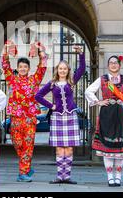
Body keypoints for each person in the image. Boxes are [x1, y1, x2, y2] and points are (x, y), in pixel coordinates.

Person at [35, 46, 86, 184]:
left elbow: (82, 69)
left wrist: (81, 54)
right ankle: (60, 176)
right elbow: (38, 96)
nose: (62, 70)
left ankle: (67, 176)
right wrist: (51, 106)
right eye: (60, 68)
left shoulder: (72, 81)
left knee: (69, 147)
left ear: (68, 70)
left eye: (65, 68)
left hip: (70, 117)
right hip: (57, 117)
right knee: (59, 148)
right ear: (57, 70)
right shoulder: (52, 84)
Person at [85, 55, 123, 186]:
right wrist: (99, 101)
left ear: (120, 65)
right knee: (107, 149)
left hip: (122, 114)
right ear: (108, 66)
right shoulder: (102, 79)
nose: (113, 65)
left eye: (116, 63)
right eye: (111, 63)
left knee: (120, 148)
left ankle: (118, 177)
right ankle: (110, 177)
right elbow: (88, 91)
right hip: (107, 114)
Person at [2, 40, 47, 182]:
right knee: (18, 144)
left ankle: (23, 172)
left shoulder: (34, 80)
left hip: (29, 118)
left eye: (25, 66)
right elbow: (5, 65)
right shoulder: (12, 79)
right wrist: (6, 50)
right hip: (15, 117)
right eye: (20, 66)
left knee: (27, 146)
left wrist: (40, 52)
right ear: (18, 68)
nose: (22, 68)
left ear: (28, 68)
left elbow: (42, 68)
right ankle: (26, 167)